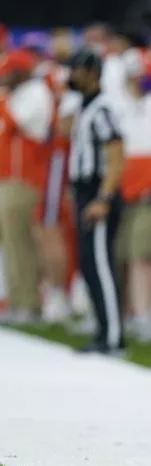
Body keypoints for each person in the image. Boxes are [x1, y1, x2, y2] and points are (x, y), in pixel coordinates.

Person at [66, 48, 126, 354]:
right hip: (84, 193)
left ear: (91, 72)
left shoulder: (101, 109)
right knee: (90, 264)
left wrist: (103, 197)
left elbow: (116, 156)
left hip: (98, 193)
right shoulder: (84, 106)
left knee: (101, 265)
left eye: (76, 69)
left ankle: (113, 336)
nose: (71, 75)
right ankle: (104, 330)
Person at [0, 48, 55, 324]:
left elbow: (15, 124)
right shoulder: (17, 94)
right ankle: (17, 299)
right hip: (8, 177)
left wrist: (3, 98)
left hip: (24, 179)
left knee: (20, 241)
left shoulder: (35, 92)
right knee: (12, 242)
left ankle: (30, 303)